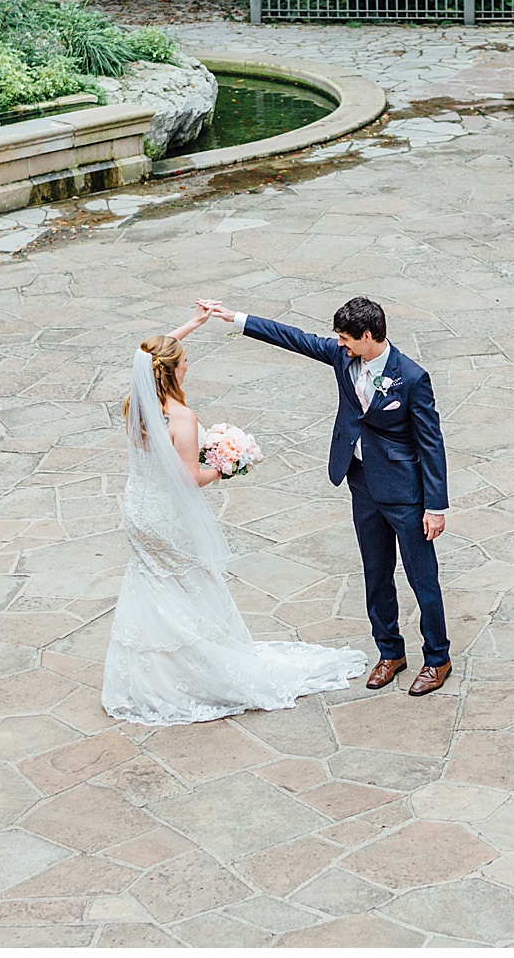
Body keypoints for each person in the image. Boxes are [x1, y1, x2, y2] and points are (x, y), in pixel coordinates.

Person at [100, 309, 363, 727]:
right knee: (191, 585)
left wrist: (191, 325)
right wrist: (227, 465)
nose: (189, 364)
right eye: (185, 360)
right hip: (167, 517)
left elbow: (146, 354)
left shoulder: (136, 401)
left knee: (153, 586)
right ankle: (199, 669)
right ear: (171, 372)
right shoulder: (181, 420)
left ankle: (154, 676)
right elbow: (190, 481)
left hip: (138, 511)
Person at [199, 294, 451, 695]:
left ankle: (437, 658)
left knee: (424, 580)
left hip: (406, 493)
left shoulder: (413, 377)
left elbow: (431, 443)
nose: (340, 344)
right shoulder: (342, 357)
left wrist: (435, 507)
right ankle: (391, 652)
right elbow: (293, 337)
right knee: (376, 574)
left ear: (368, 335)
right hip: (362, 485)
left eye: (346, 338)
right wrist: (236, 318)